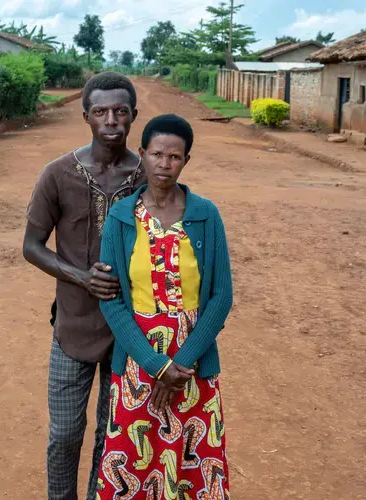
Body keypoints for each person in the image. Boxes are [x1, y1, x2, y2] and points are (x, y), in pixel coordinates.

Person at [95, 114, 233, 499]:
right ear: (142, 155)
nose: (164, 164)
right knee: (133, 461)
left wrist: (180, 365)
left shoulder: (206, 215)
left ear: (186, 160)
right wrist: (158, 367)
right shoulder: (121, 218)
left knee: (193, 466)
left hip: (193, 364)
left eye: (174, 156)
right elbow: (113, 301)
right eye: (156, 154)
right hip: (138, 362)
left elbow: (221, 297)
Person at [23, 72, 146, 500]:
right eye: (100, 112)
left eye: (120, 111)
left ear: (133, 116)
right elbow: (31, 246)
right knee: (64, 436)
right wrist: (80, 276)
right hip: (71, 329)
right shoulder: (57, 174)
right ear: (85, 117)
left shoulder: (150, 177)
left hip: (130, 333)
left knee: (112, 436)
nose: (111, 120)